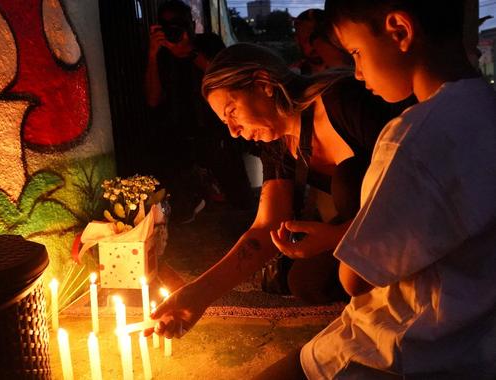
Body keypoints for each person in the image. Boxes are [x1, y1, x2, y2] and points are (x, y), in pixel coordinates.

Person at [264, 0, 496, 378]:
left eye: (356, 52)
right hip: (476, 348)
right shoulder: (485, 109)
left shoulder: (409, 137)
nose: (356, 73)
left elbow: (354, 279)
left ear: (399, 31)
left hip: (402, 350)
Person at [147, 42, 413, 339]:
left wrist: (337, 236)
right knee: (304, 281)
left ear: (264, 84)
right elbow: (266, 229)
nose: (233, 131)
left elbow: (419, 186)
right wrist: (197, 296)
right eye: (225, 122)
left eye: (232, 111)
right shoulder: (278, 140)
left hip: (409, 221)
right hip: (361, 230)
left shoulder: (343, 102)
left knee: (349, 182)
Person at [144, 0, 253, 223]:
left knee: (239, 199)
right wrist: (152, 56)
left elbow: (227, 78)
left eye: (179, 23)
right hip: (178, 137)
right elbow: (152, 99)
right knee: (184, 210)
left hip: (216, 133)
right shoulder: (160, 54)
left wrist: (190, 53)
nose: (174, 30)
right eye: (166, 26)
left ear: (192, 24)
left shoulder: (209, 43)